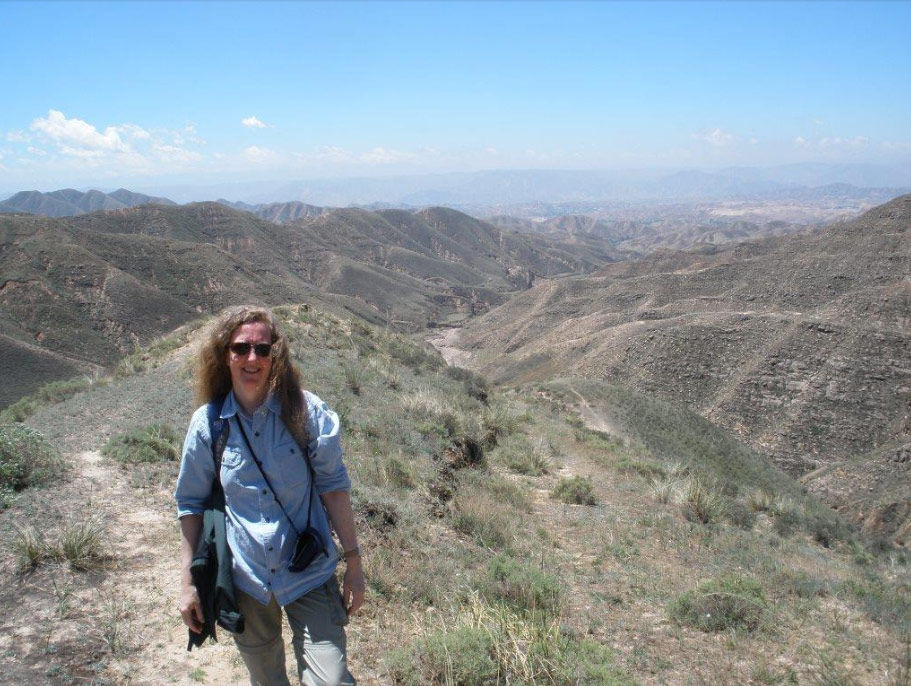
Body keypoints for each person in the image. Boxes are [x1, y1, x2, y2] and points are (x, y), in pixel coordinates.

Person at [175, 305, 365, 686]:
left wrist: (354, 562)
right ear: (224, 354)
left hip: (309, 573)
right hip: (248, 581)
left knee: (330, 680)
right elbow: (191, 504)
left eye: (262, 349)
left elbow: (333, 487)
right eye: (241, 348)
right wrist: (187, 581)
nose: (252, 358)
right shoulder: (209, 425)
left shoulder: (306, 413)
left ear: (275, 356)